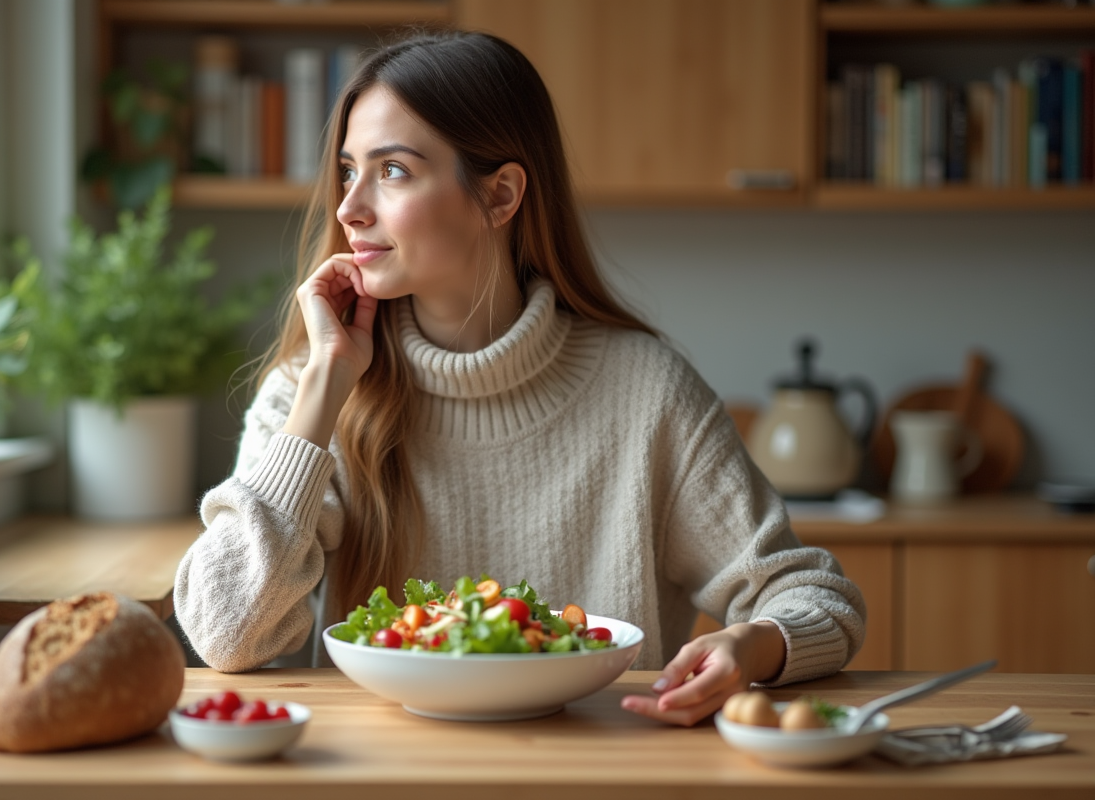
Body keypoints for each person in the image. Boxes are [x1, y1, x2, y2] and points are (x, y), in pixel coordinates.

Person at [174, 30, 865, 727]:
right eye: (349, 171)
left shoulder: (647, 394)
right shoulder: (312, 391)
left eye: (393, 172)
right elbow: (225, 635)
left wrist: (751, 645)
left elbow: (817, 599)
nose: (350, 208)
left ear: (500, 195)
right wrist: (324, 387)